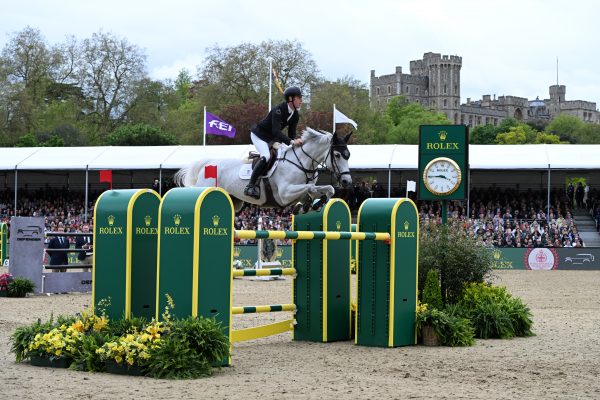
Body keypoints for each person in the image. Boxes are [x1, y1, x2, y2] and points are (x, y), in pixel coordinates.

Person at [244, 86, 304, 199]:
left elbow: (291, 135)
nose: (301, 100)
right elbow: (276, 131)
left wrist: (297, 141)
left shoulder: (295, 115)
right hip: (259, 135)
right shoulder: (278, 110)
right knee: (266, 156)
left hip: (271, 138)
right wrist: (291, 141)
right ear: (290, 98)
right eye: (299, 98)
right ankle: (250, 186)